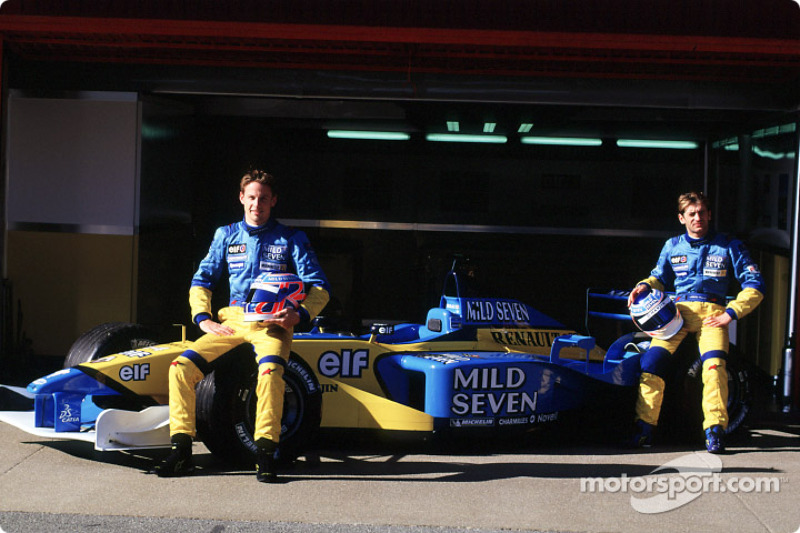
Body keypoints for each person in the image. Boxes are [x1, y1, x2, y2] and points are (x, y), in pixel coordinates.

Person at [155, 168, 330, 481]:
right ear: (241, 198)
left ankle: (266, 454)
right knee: (180, 367)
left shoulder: (291, 237)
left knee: (271, 372)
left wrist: (299, 315)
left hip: (273, 324)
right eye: (251, 197)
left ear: (273, 201)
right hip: (233, 320)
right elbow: (202, 280)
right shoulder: (226, 234)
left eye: (263, 198)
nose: (256, 204)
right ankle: (181, 452)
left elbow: (319, 286)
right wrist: (203, 318)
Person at [626, 191, 764, 453]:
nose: (697, 218)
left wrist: (731, 313)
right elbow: (658, 277)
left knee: (713, 368)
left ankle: (714, 431)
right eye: (691, 214)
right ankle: (644, 430)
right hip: (677, 315)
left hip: (713, 315)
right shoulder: (672, 245)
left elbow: (755, 285)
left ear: (709, 215)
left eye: (702, 212)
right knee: (651, 364)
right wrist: (643, 285)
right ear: (682, 218)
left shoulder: (729, 245)